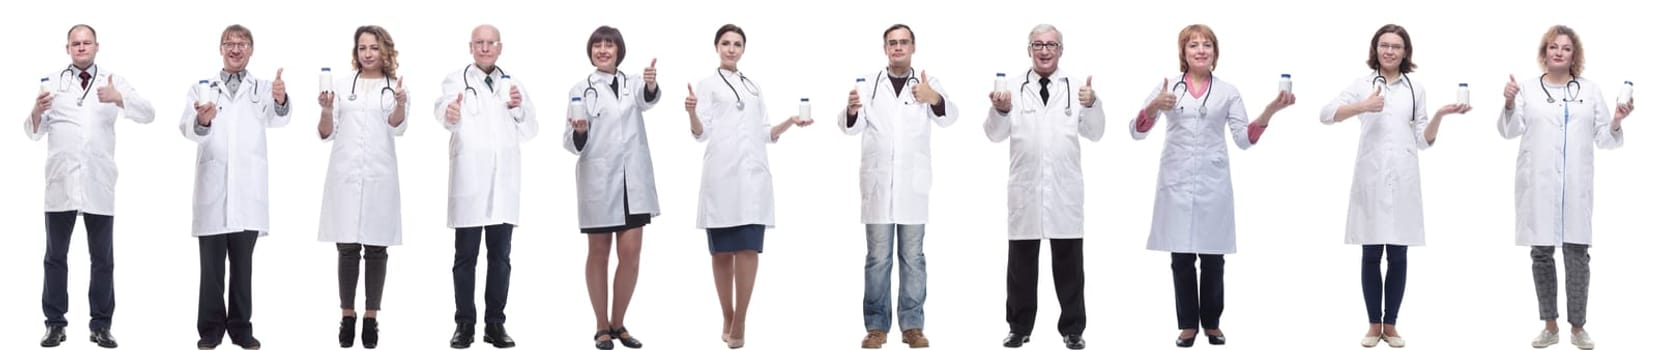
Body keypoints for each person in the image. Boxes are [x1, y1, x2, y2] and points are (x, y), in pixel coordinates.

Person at [1128, 24, 1295, 348]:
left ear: (1215, 53)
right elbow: (1136, 131)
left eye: (1207, 45)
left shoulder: (1228, 91)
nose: (1201, 50)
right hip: (1176, 182)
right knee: (1181, 258)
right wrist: (1152, 108)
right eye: (1193, 45)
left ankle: (1213, 323)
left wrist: (1270, 111)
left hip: (1212, 183)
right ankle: (1188, 325)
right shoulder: (1168, 87)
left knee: (1213, 258)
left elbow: (1244, 139)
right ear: (1184, 53)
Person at [1317, 23, 1470, 349]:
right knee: (1371, 253)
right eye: (1384, 45)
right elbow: (1326, 114)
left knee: (1398, 254)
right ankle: (1374, 326)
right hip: (1370, 179)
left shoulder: (1416, 89)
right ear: (1375, 50)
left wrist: (1440, 116)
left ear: (1405, 52)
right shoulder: (1362, 85)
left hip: (1403, 179)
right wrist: (1362, 107)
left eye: (1396, 46)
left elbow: (1423, 141)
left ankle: (1392, 324)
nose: (1389, 51)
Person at [1500, 25, 1633, 350]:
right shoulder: (1528, 90)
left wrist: (1616, 120)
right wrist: (1508, 103)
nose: (1559, 52)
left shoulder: (1589, 90)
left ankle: (1577, 328)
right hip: (1538, 185)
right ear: (1544, 53)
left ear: (1575, 56)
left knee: (1577, 255)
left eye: (1566, 48)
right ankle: (1550, 326)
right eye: (1553, 47)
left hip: (1575, 186)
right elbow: (1509, 130)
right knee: (1541, 254)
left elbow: (1605, 139)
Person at [26, 23, 156, 349]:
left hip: (99, 183)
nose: (81, 47)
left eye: (86, 43)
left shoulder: (113, 81)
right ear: (67, 48)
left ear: (97, 46)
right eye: (75, 43)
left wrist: (119, 98)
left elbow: (149, 113)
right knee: (55, 257)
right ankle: (55, 324)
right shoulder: (52, 83)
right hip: (61, 185)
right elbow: (31, 132)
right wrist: (36, 111)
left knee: (103, 260)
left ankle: (101, 325)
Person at [683, 24, 813, 350]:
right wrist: (691, 114)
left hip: (753, 179)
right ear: (716, 47)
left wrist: (790, 122)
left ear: (743, 49)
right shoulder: (707, 85)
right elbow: (700, 133)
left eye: (737, 44)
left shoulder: (753, 87)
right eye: (725, 43)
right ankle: (727, 314)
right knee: (722, 252)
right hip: (721, 177)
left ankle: (741, 320)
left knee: (749, 249)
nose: (731, 49)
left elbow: (766, 132)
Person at [984, 24, 1104, 350]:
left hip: (1064, 192)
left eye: (1051, 44)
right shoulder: (1009, 89)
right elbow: (993, 135)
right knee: (1021, 267)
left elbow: (1095, 133)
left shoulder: (1078, 88)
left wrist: (1093, 104)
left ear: (1061, 50)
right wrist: (1001, 110)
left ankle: (1073, 329)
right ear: (1029, 50)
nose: (1045, 50)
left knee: (1070, 267)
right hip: (1026, 191)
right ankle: (1018, 327)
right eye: (1038, 44)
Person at [840, 23, 958, 350]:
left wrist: (933, 97)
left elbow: (950, 117)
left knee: (913, 257)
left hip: (913, 189)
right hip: (878, 187)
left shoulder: (927, 83)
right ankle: (876, 327)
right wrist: (851, 110)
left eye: (903, 42)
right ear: (885, 48)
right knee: (877, 258)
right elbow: (850, 128)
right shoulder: (868, 84)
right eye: (892, 43)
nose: (898, 47)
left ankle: (912, 326)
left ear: (913, 47)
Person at [181, 24, 289, 350]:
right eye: (230, 43)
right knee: (211, 270)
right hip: (213, 190)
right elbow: (186, 128)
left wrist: (281, 100)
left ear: (251, 50)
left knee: (243, 268)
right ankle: (211, 330)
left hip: (248, 192)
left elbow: (279, 119)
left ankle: (241, 328)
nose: (236, 48)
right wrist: (203, 120)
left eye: (242, 43)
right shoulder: (202, 88)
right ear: (221, 49)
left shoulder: (264, 88)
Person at [436, 24, 538, 350]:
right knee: (465, 257)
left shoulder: (514, 84)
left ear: (499, 47)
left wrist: (518, 109)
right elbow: (443, 111)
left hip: (503, 183)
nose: (484, 48)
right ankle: (464, 325)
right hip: (470, 181)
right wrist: (450, 113)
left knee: (501, 258)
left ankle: (495, 324)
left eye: (490, 43)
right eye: (478, 43)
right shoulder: (456, 79)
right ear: (470, 47)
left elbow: (531, 129)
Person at [564, 25, 660, 350]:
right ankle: (601, 326)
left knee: (631, 256)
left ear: (619, 50)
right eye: (597, 46)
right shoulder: (581, 88)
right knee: (599, 254)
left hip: (632, 182)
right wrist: (579, 131)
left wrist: (650, 84)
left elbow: (648, 100)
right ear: (591, 51)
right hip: (600, 181)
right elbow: (571, 141)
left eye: (609, 45)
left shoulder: (634, 84)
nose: (603, 50)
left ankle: (619, 323)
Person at [316, 24, 409, 350]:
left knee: (376, 248)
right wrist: (327, 110)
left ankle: (371, 318)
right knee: (347, 248)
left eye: (373, 48)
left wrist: (400, 103)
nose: (367, 53)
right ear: (356, 53)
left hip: (380, 176)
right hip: (345, 175)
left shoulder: (394, 87)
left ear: (385, 51)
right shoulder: (342, 86)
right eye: (362, 48)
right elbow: (327, 132)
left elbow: (397, 126)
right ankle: (347, 315)